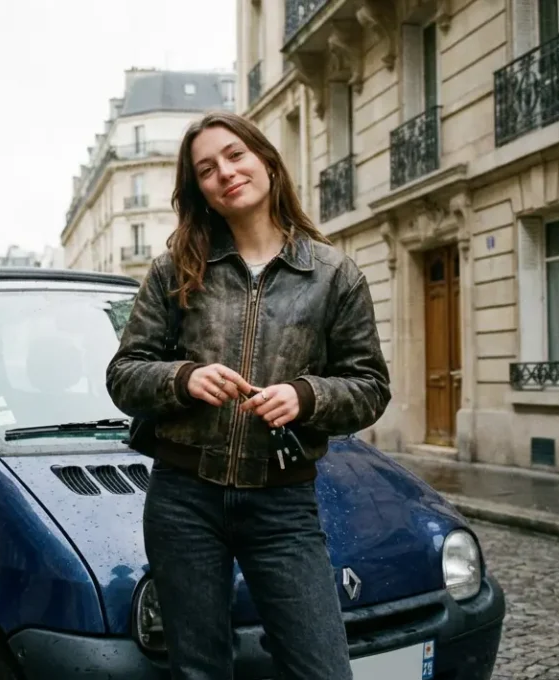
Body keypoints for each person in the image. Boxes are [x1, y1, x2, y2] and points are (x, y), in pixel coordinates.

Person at [105, 111, 392, 680]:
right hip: (184, 498)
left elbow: (370, 387)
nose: (225, 173)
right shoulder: (174, 271)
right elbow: (125, 374)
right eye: (206, 169)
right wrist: (183, 379)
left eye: (235, 155)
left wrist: (306, 396)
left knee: (322, 670)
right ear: (200, 192)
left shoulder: (334, 274)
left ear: (266, 161)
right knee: (200, 670)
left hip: (282, 503)